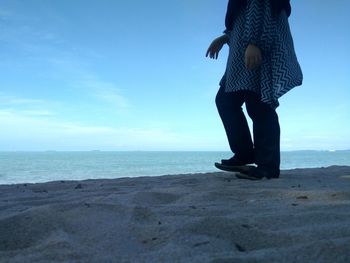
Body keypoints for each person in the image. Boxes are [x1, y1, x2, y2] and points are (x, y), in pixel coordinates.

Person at [206, 0, 303, 180]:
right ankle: (244, 154)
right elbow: (243, 13)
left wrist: (256, 42)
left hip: (257, 46)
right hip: (241, 51)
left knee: (259, 104)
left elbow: (264, 5)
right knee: (226, 101)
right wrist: (225, 37)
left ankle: (268, 167)